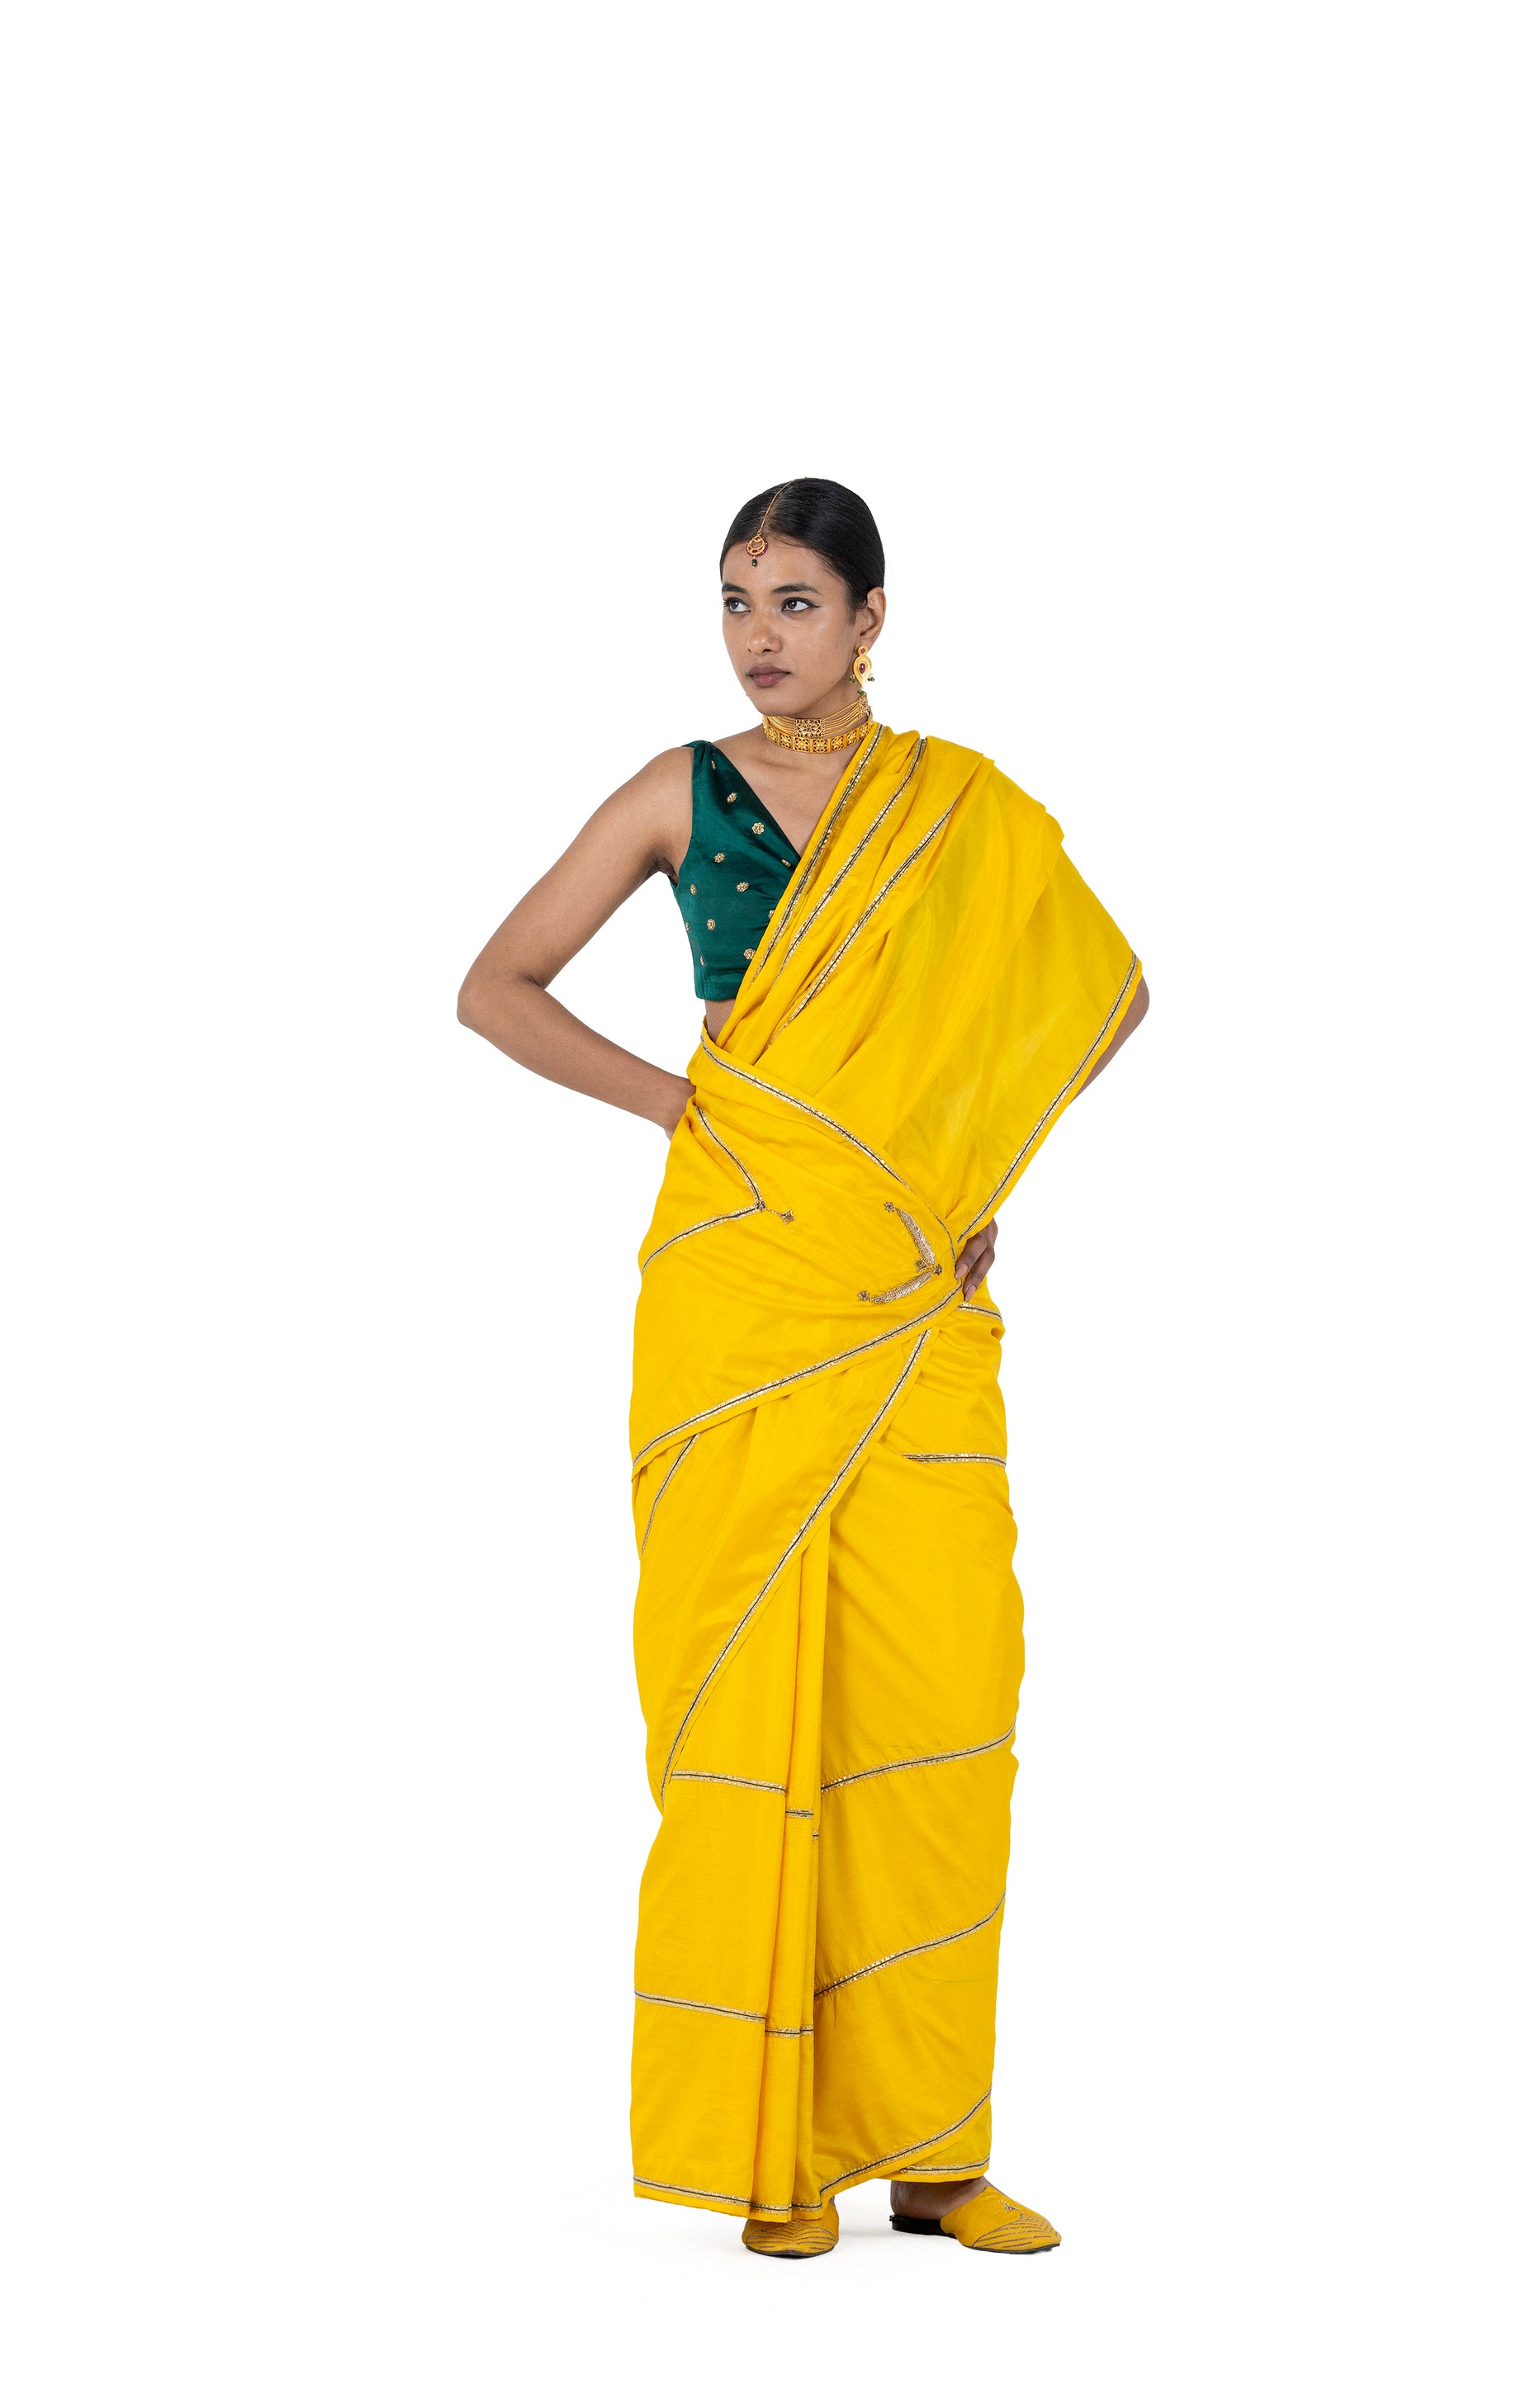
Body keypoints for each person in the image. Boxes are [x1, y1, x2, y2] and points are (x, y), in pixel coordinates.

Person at [457, 478, 1148, 2258]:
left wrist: (965, 1178)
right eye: (734, 601)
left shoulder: (958, 807)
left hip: (911, 1290)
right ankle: (772, 2157)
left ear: (870, 617)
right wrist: (684, 1106)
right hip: (740, 1281)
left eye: (793, 602)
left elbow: (1105, 993)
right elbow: (497, 985)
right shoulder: (677, 791)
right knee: (745, 1701)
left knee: (937, 1701)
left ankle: (935, 2153)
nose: (758, 637)